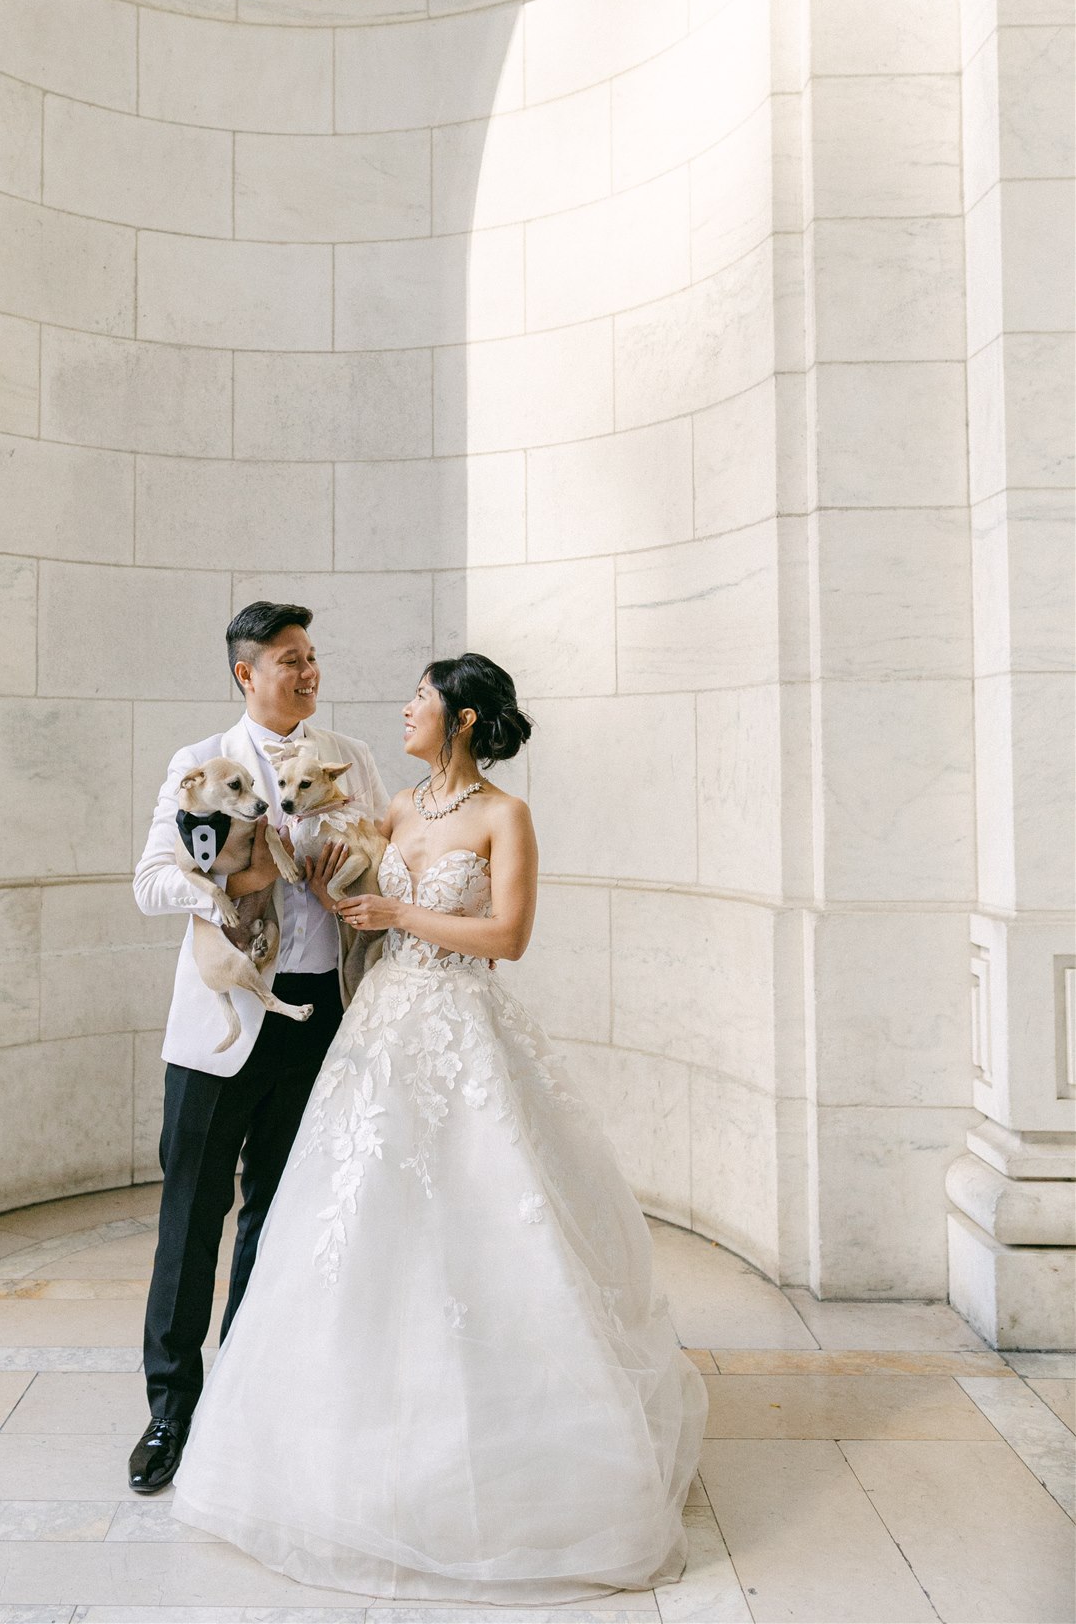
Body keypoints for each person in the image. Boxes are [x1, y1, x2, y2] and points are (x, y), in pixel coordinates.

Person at [169, 651, 709, 1604]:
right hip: (380, 1027)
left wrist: (397, 909)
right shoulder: (396, 808)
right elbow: (333, 888)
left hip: (463, 1022)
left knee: (490, 1212)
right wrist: (268, 853)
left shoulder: (505, 816)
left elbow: (507, 937)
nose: (406, 710)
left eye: (420, 698)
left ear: (460, 718)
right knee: (354, 1221)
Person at [128, 601, 388, 1495]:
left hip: (323, 1012)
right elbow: (151, 880)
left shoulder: (351, 758)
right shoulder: (200, 764)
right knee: (192, 1215)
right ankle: (170, 1408)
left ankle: (246, 1389)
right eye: (289, 660)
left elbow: (387, 860)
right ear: (248, 674)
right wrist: (233, 885)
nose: (308, 673)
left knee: (279, 1212)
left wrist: (353, 877)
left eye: (313, 657)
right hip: (223, 1021)